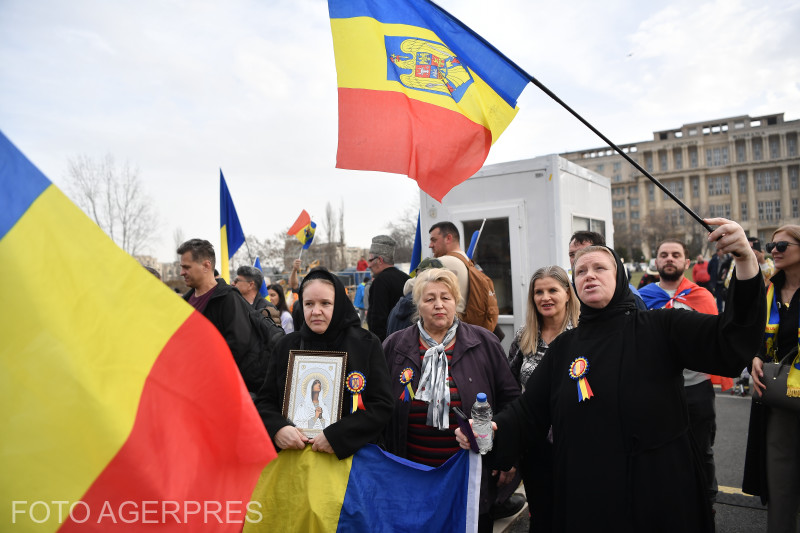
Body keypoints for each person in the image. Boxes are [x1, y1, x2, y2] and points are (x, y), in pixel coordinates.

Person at [456, 218, 765, 532]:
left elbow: (730, 339)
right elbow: (527, 412)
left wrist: (744, 259)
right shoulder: (564, 348)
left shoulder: (661, 327)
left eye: (599, 268)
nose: (589, 275)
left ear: (620, 276)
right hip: (589, 493)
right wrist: (492, 428)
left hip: (658, 489)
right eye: (580, 271)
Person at [382, 268, 520, 533]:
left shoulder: (484, 343)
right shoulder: (395, 346)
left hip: (469, 475)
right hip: (412, 474)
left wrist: (507, 455)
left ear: (456, 302)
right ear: (417, 305)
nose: (438, 305)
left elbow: (511, 403)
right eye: (429, 298)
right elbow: (378, 406)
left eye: (445, 298)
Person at [255, 269, 393, 458]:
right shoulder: (286, 345)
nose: (316, 311)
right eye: (309, 304)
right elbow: (265, 402)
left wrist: (338, 436)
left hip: (351, 464)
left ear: (339, 305)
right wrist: (277, 428)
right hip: (296, 463)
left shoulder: (366, 344)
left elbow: (382, 405)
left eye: (325, 303)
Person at [639, 239, 722, 519]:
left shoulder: (702, 296)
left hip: (696, 386)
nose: (669, 259)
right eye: (664, 255)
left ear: (687, 262)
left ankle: (706, 501)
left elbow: (716, 340)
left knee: (701, 448)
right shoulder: (642, 297)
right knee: (658, 446)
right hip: (656, 388)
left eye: (676, 255)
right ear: (656, 262)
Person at [507, 265, 579, 533]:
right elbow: (509, 386)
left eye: (552, 290)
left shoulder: (585, 335)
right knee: (541, 514)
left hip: (577, 442)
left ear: (568, 294)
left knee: (575, 514)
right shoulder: (525, 336)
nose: (545, 297)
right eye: (539, 292)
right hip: (535, 444)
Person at [743, 225, 800, 533]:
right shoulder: (769, 289)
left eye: (783, 245)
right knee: (780, 486)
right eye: (771, 244)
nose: (774, 250)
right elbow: (756, 333)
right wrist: (755, 355)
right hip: (779, 397)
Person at [178, 239, 265, 394]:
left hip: (218, 390)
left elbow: (237, 347)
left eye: (186, 267)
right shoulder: (183, 303)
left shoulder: (228, 299)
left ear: (206, 266)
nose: (181, 272)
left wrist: (203, 372)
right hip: (190, 388)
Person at [568, 230, 648, 310]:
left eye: (584, 252)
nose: (577, 258)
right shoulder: (566, 294)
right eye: (572, 255)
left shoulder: (632, 298)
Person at [367, 235, 410, 341]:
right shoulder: (407, 279)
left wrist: (378, 349)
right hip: (407, 342)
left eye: (370, 260)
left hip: (387, 345)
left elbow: (377, 319)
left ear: (380, 260)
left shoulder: (380, 282)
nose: (369, 265)